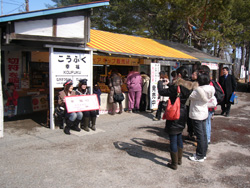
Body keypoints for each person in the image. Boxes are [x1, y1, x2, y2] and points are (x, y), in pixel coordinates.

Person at [158, 66, 192, 170]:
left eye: (176, 74)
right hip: (183, 112)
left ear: (179, 75)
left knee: (173, 138)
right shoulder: (188, 86)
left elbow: (162, 92)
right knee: (179, 136)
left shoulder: (176, 87)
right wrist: (169, 83)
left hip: (174, 113)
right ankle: (179, 159)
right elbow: (176, 90)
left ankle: (174, 163)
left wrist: (160, 82)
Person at [188, 70, 215, 162]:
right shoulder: (211, 88)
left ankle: (199, 155)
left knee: (199, 136)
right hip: (204, 112)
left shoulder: (198, 90)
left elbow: (191, 96)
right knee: (203, 134)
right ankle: (203, 153)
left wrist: (195, 88)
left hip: (197, 113)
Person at [186, 69, 198, 140]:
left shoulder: (198, 84)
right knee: (189, 119)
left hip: (194, 104)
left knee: (193, 119)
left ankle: (194, 133)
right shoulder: (190, 81)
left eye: (194, 74)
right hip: (189, 103)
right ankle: (190, 132)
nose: (192, 75)